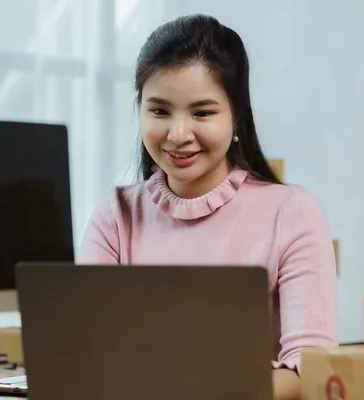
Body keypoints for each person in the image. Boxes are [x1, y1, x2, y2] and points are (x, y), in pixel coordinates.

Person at [78, 13, 338, 400]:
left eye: (203, 112)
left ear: (237, 118)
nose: (178, 135)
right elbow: (86, 353)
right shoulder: (115, 218)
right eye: (159, 111)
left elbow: (310, 367)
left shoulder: (291, 212)